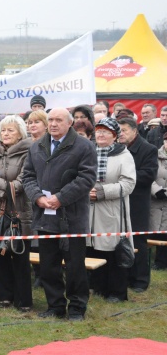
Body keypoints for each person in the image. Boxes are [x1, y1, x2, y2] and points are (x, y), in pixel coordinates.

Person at [22, 108, 97, 321]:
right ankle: (55, 306)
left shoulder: (84, 146)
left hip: (72, 217)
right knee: (48, 266)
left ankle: (76, 308)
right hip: (45, 216)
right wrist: (37, 197)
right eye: (51, 120)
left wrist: (60, 198)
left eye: (58, 120)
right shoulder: (37, 146)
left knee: (74, 266)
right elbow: (27, 176)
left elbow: (86, 178)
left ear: (70, 123)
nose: (53, 123)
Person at [0, 115, 34, 312]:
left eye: (10, 130)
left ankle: (24, 301)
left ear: (20, 132)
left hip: (19, 211)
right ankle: (4, 296)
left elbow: (21, 184)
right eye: (3, 130)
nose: (6, 134)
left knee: (20, 256)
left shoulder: (28, 152)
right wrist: (2, 190)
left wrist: (1, 187)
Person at [87, 118, 136, 302]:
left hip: (112, 210)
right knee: (94, 249)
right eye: (98, 130)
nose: (100, 134)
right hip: (89, 210)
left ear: (114, 136)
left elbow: (128, 184)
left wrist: (102, 192)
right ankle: (99, 288)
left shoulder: (124, 155)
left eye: (105, 131)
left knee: (113, 251)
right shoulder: (88, 152)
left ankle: (117, 292)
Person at [117, 117, 158, 293]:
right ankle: (123, 276)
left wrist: (126, 180)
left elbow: (149, 175)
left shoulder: (148, 149)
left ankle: (140, 280)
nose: (121, 134)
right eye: (118, 131)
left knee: (138, 240)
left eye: (124, 130)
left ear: (135, 131)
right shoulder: (116, 149)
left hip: (137, 201)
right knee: (120, 239)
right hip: (118, 201)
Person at [150, 131, 167, 270]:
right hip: (155, 200)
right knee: (155, 230)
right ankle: (152, 261)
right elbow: (148, 175)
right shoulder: (154, 155)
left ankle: (162, 262)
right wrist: (156, 190)